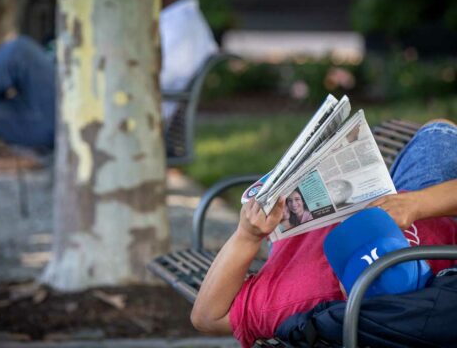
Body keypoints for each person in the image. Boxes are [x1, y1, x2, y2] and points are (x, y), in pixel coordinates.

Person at [0, 0, 217, 265]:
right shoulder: (171, 22)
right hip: (95, 113)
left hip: (113, 126)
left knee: (19, 51)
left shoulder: (183, 29)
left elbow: (139, 86)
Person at [191, 120, 457, 348]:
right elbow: (206, 319)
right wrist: (417, 204)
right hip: (429, 213)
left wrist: (246, 236)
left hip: (402, 203)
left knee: (437, 133)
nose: (367, 248)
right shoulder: (304, 294)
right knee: (438, 133)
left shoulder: (296, 290)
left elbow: (206, 316)